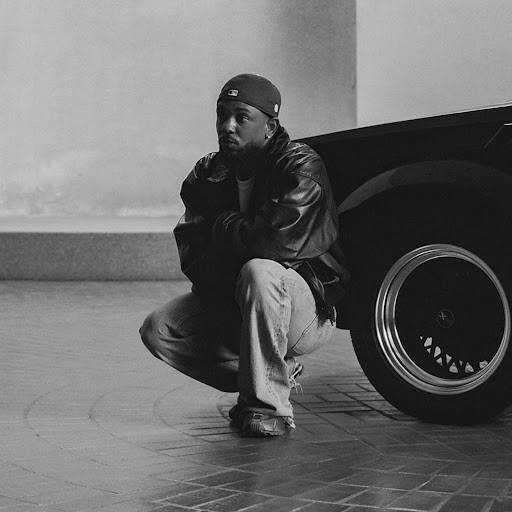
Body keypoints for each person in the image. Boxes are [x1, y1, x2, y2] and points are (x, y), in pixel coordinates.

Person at [140, 73, 350, 437]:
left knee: (260, 270)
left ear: (269, 127)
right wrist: (242, 240)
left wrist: (222, 226)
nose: (227, 126)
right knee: (160, 330)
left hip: (306, 311)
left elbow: (274, 244)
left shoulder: (300, 166)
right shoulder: (208, 173)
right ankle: (273, 373)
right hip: (241, 300)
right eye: (222, 115)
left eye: (241, 117)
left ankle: (268, 408)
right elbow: (193, 255)